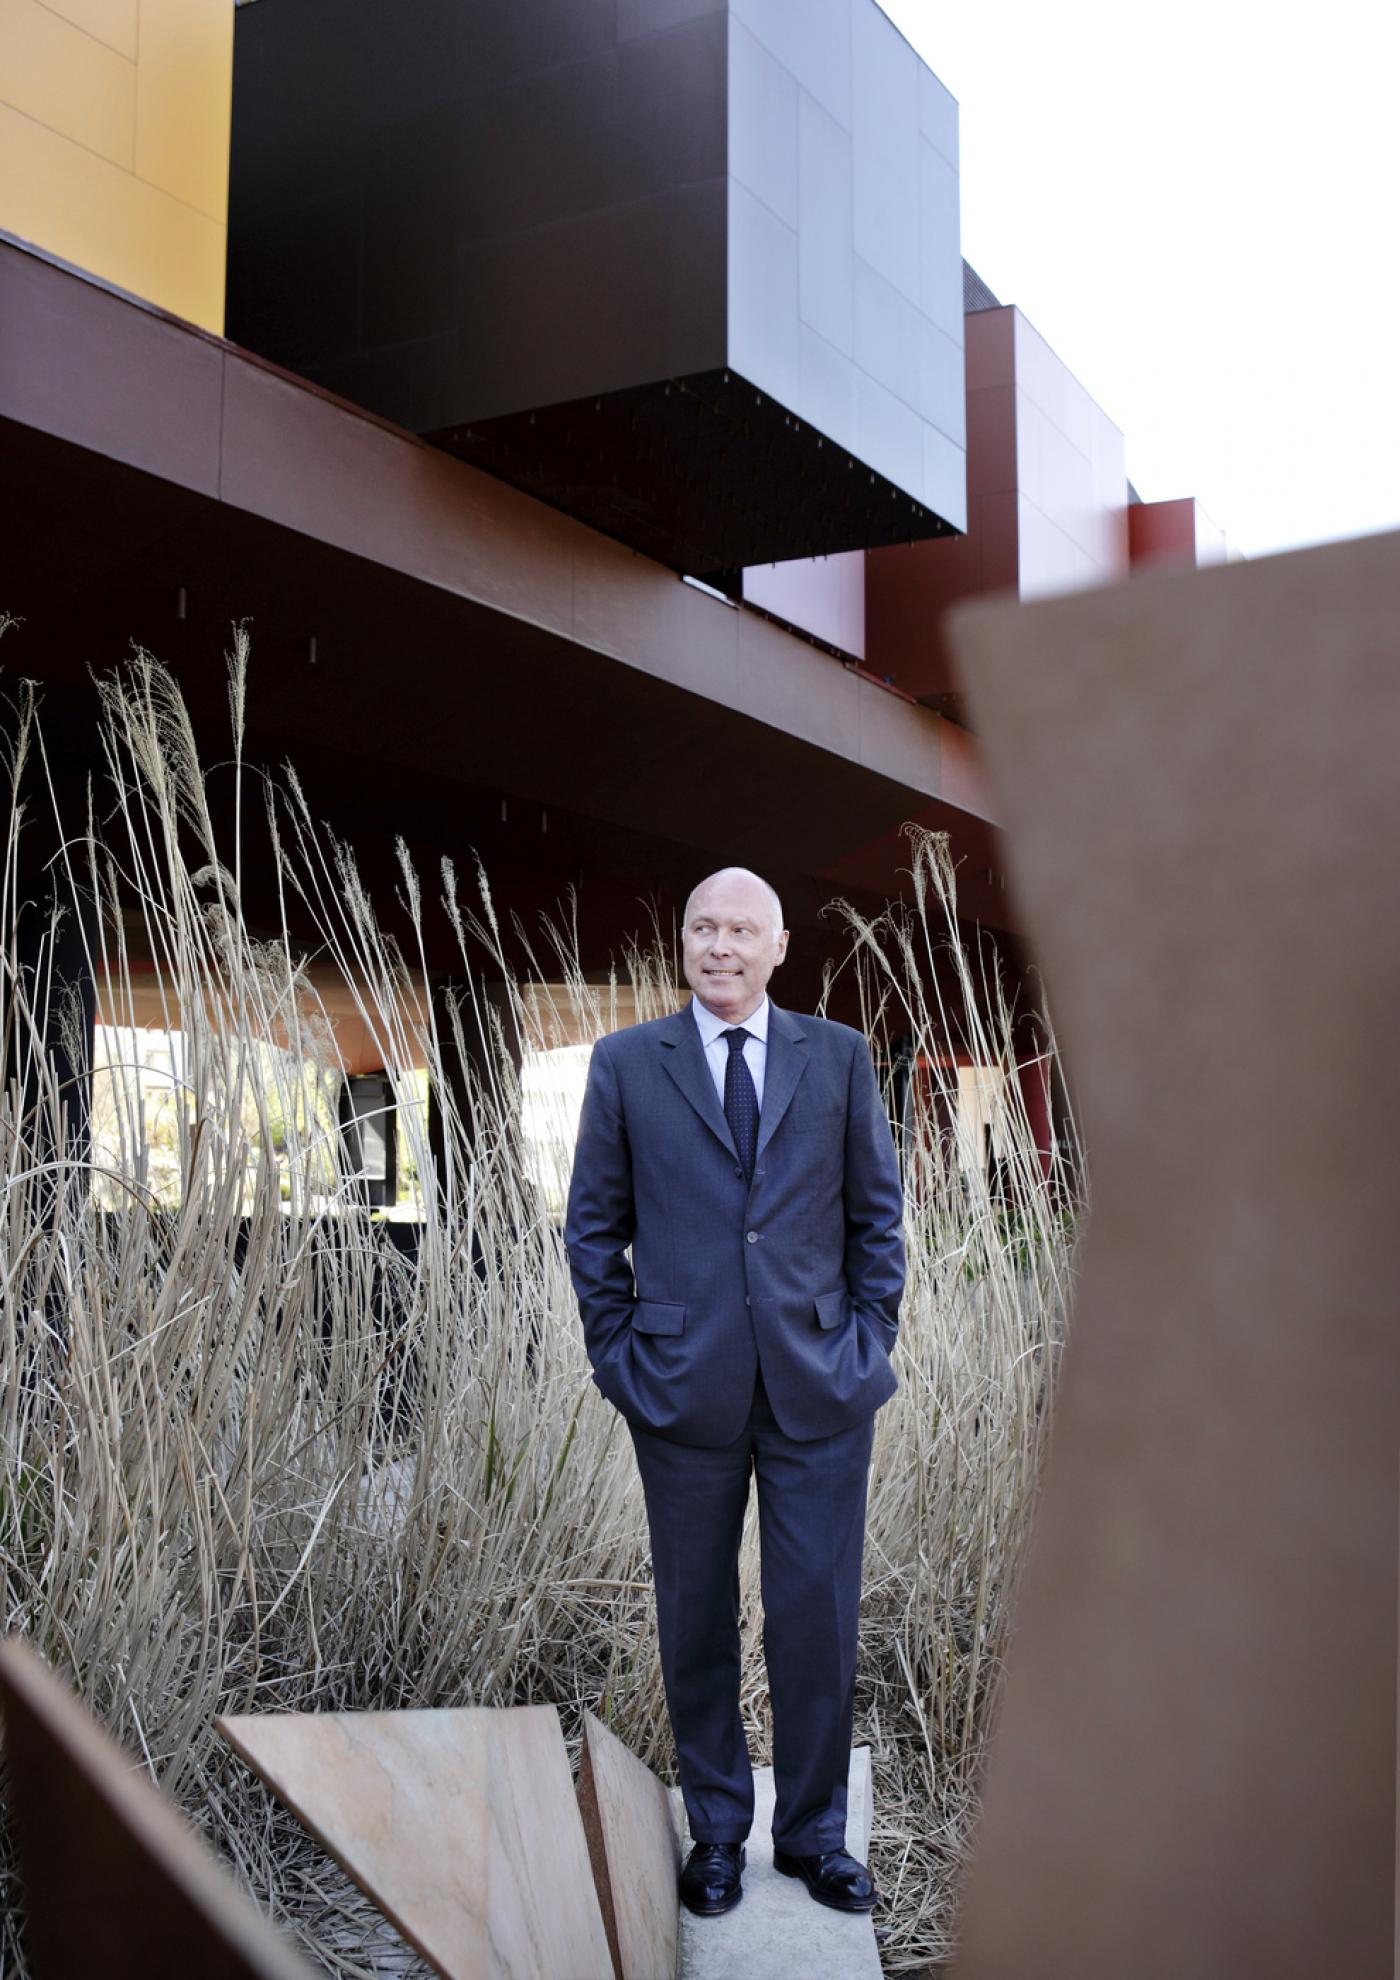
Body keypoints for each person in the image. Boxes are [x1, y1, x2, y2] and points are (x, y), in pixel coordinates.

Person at [564, 867, 904, 1917]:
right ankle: (715, 1833)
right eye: (701, 927)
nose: (719, 946)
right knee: (694, 1614)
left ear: (777, 947)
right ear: (682, 943)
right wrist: (622, 1360)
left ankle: (811, 1836)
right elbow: (591, 1228)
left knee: (814, 1615)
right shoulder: (627, 1063)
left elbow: (874, 1223)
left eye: (739, 930)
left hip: (818, 1389)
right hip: (679, 1391)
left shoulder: (837, 1058)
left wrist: (862, 1345)